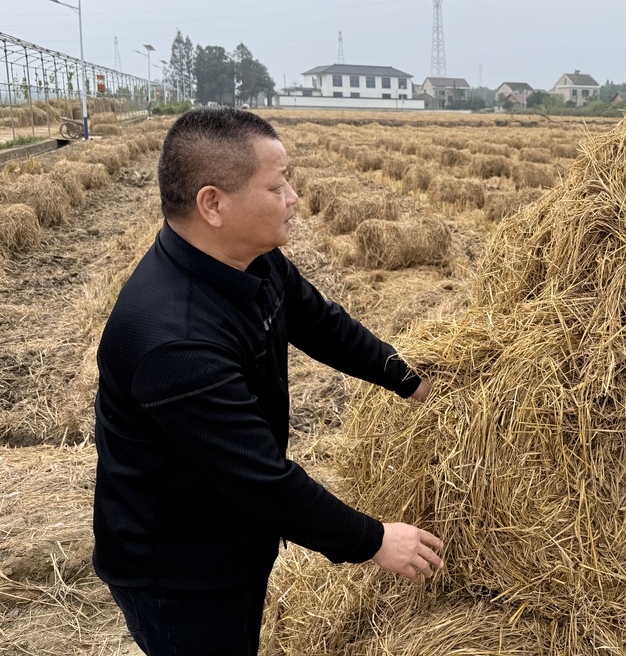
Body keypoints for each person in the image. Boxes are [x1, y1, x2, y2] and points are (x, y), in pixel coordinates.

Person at [93, 106, 443, 655]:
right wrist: (375, 541)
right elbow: (261, 479)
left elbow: (321, 323)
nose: (294, 198)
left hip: (230, 533)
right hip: (179, 570)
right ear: (213, 204)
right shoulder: (174, 341)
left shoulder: (249, 259)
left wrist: (408, 381)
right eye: (277, 185)